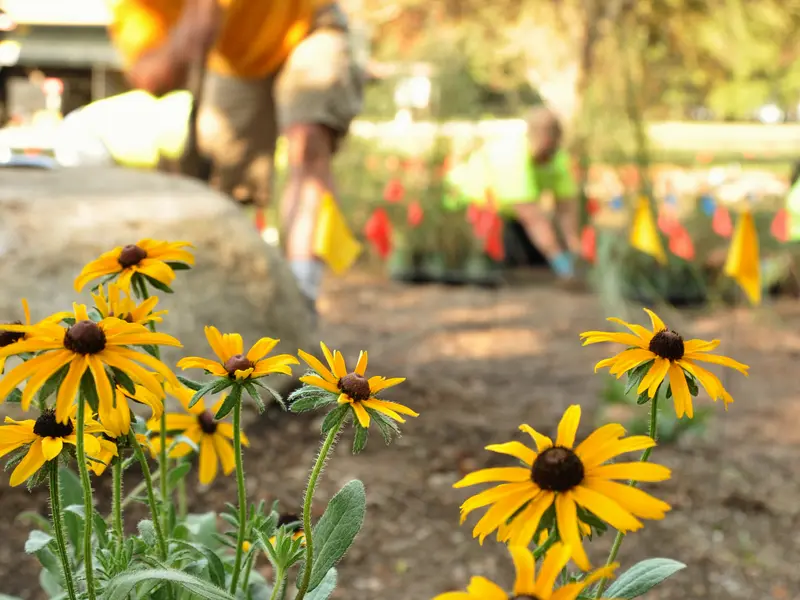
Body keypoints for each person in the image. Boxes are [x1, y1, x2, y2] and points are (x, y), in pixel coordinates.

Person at [107, 0, 364, 317]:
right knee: (221, 182)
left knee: (308, 140)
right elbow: (150, 77)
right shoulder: (132, 6)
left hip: (308, 23)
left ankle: (303, 297)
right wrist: (192, 28)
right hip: (235, 61)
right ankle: (223, 301)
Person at [515, 106, 582, 282]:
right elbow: (532, 218)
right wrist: (561, 263)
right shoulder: (514, 156)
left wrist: (575, 251)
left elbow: (567, 210)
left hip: (513, 212)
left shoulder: (558, 159)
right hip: (472, 209)